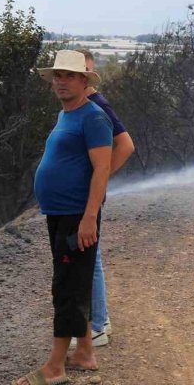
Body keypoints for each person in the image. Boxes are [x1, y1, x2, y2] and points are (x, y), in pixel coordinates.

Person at [14, 50, 113, 385]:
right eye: (58, 75)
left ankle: (55, 368)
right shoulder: (66, 114)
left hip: (76, 216)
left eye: (70, 76)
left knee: (66, 287)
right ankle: (84, 352)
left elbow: (102, 169)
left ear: (84, 81)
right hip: (60, 213)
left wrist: (89, 217)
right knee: (75, 282)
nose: (61, 81)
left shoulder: (94, 117)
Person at [79, 50, 135, 347]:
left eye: (85, 71)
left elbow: (125, 145)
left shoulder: (97, 104)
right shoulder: (81, 104)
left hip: (87, 196)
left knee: (91, 259)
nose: (82, 78)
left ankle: (98, 326)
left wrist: (101, 177)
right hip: (80, 194)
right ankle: (100, 320)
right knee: (90, 257)